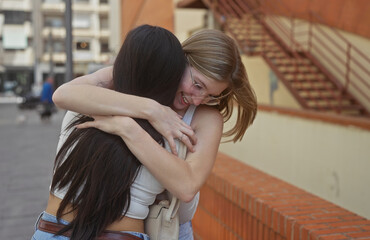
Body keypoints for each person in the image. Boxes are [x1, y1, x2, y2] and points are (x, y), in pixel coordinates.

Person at [52, 28, 258, 239]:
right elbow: (64, 95)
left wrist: (128, 128)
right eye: (197, 85)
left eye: (210, 96)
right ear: (182, 61)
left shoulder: (206, 117)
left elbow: (187, 187)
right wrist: (152, 110)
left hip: (167, 226)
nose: (197, 99)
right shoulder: (132, 75)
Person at [32, 25, 187, 240]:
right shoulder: (172, 133)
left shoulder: (82, 108)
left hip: (54, 232)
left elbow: (65, 93)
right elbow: (185, 209)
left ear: (121, 63)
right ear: (174, 77)